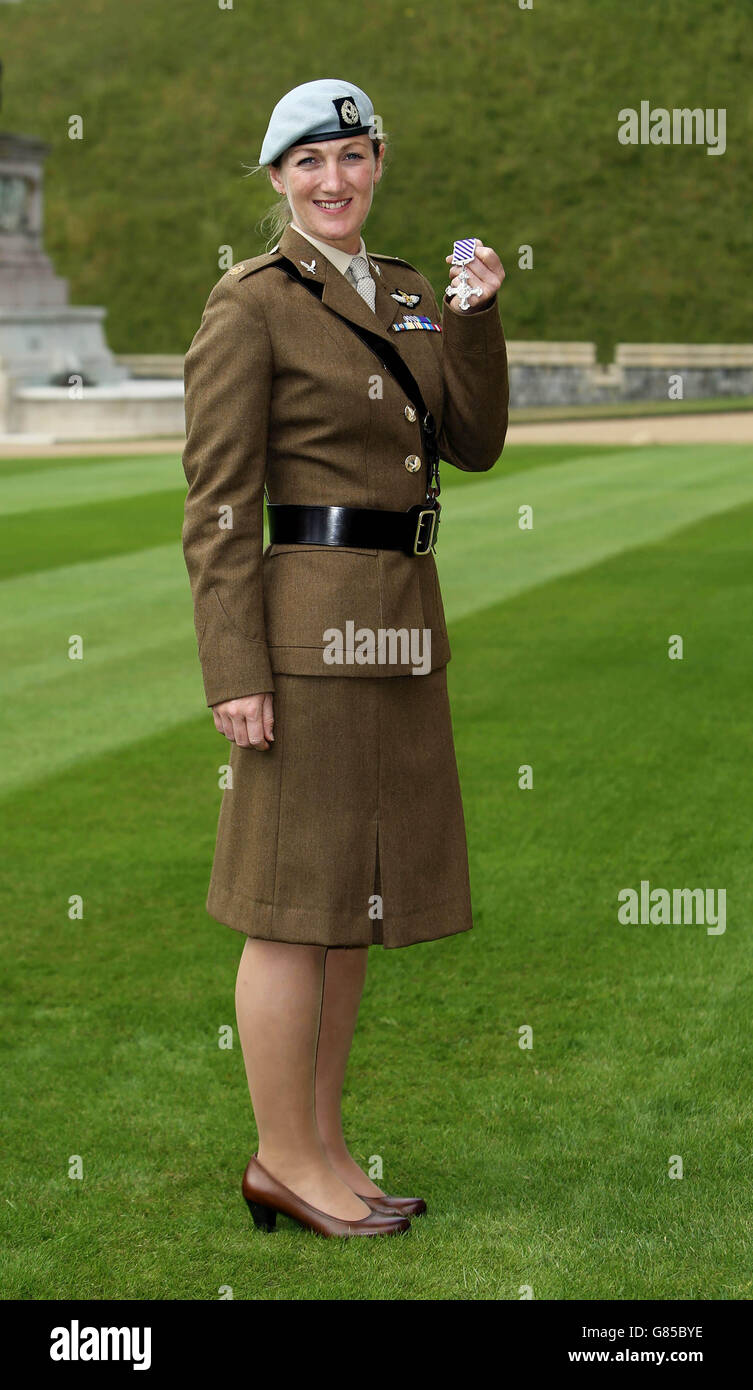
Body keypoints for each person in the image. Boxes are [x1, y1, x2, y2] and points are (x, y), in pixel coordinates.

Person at [181, 79, 509, 1238]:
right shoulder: (251, 303)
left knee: (353, 903)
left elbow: (473, 444)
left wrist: (472, 315)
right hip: (306, 632)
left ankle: (324, 1155)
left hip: (402, 622)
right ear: (276, 179)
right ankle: (282, 1159)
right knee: (289, 907)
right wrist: (235, 668)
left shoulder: (415, 292)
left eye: (355, 157)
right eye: (310, 162)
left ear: (378, 165)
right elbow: (217, 504)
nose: (336, 181)